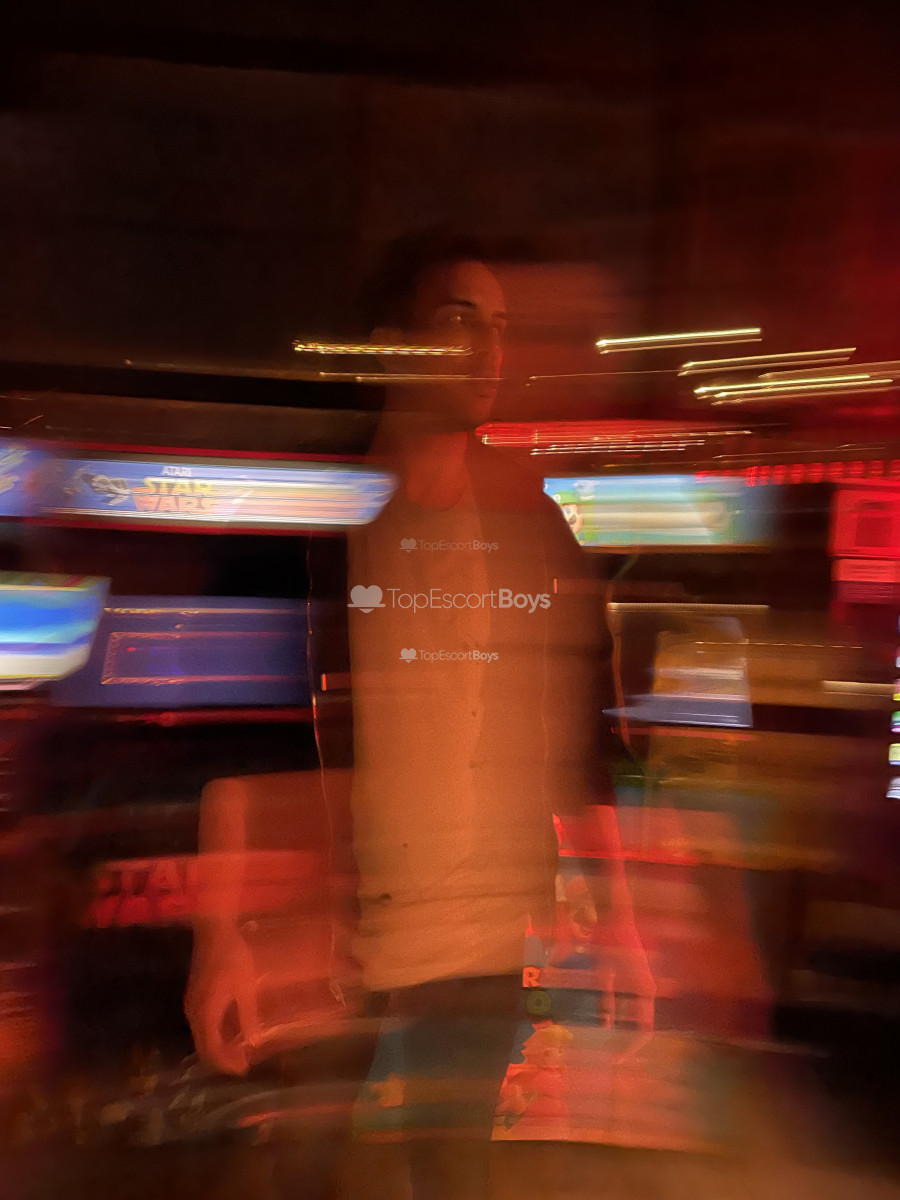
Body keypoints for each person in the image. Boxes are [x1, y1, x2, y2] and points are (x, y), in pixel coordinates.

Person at [344, 230, 654, 1198]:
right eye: (458, 321)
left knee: (452, 1172)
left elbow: (582, 731)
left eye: (500, 327)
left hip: (475, 934)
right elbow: (274, 720)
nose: (488, 351)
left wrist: (620, 922)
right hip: (339, 924)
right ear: (394, 347)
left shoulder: (532, 524)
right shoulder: (328, 514)